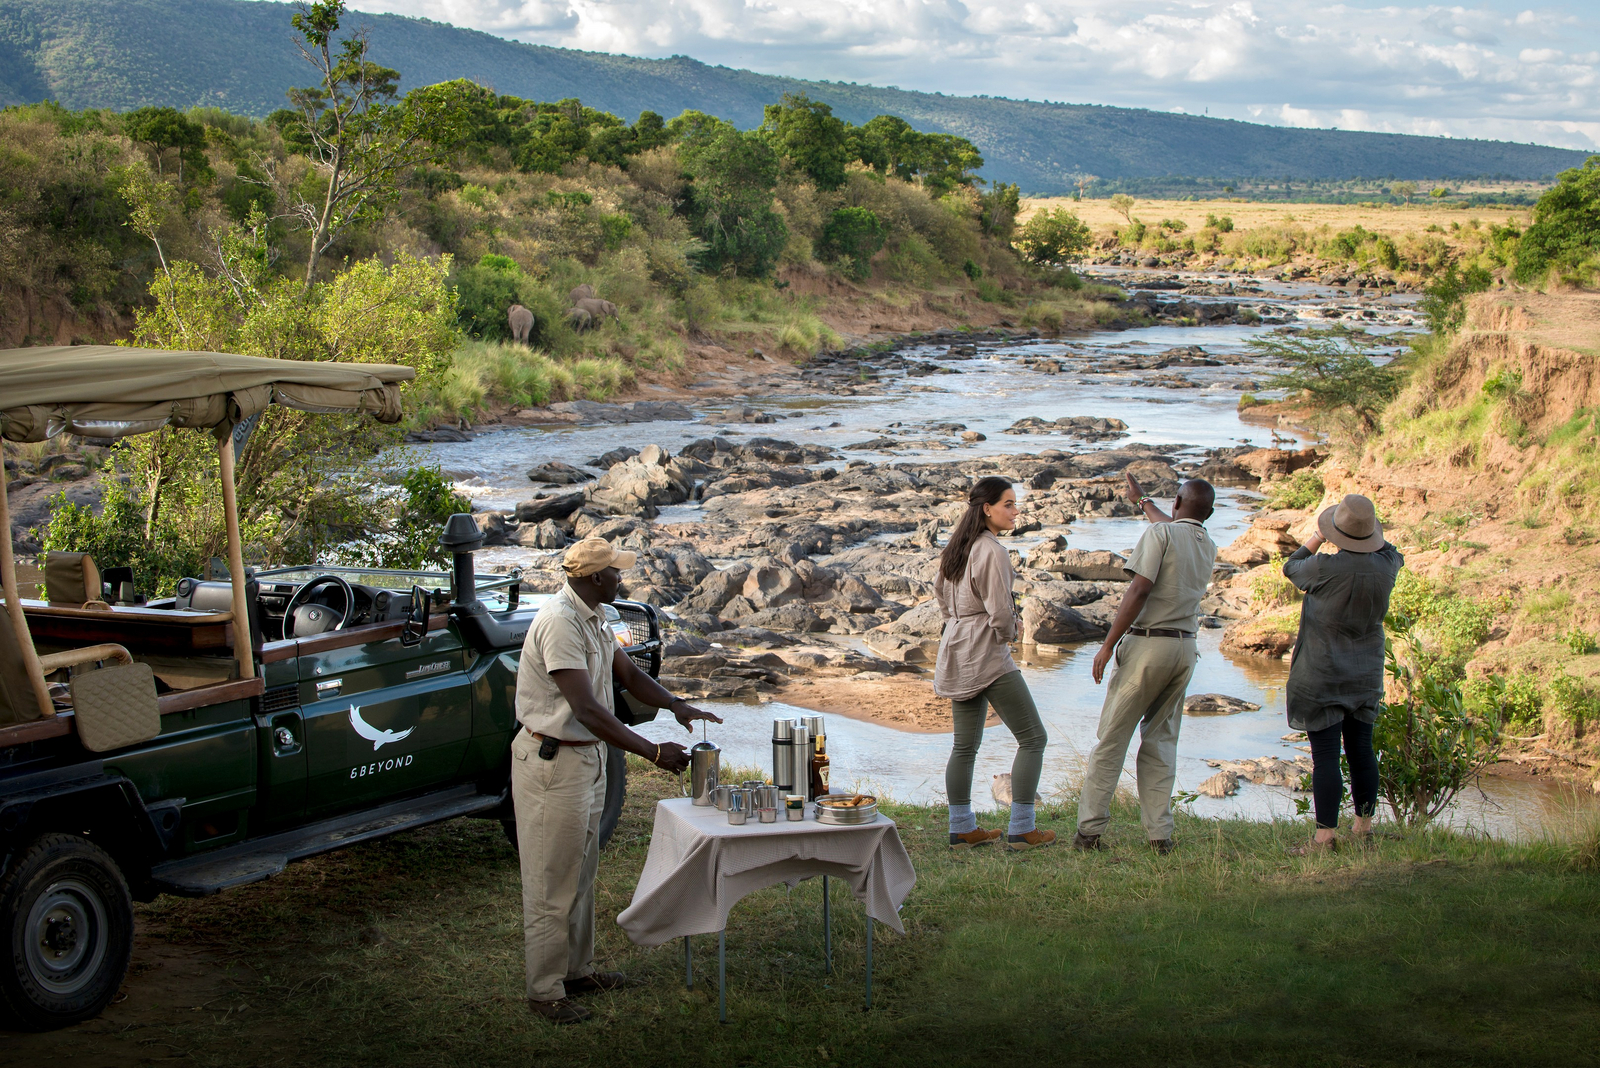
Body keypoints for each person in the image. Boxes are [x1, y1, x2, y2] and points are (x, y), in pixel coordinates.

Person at [514, 536, 722, 1025]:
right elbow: (586, 709)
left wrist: (676, 704)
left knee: (580, 873)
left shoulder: (594, 614)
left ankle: (576, 971)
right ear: (593, 578)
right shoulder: (561, 624)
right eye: (615, 572)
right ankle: (544, 992)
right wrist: (651, 751)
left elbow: (626, 673)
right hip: (553, 763)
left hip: (584, 762)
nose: (621, 579)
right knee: (551, 881)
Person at [1075, 474, 1217, 855]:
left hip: (1148, 647)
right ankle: (1159, 836)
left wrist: (1108, 645)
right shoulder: (1207, 544)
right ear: (1211, 513)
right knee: (1161, 741)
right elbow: (1171, 529)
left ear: (1176, 503)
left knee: (1113, 738)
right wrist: (1142, 501)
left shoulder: (1161, 536)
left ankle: (1089, 832)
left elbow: (1139, 589)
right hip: (1185, 650)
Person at [934, 476, 1054, 852]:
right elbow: (1001, 612)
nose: (1016, 511)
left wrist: (960, 623)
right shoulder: (993, 551)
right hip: (986, 652)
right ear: (987, 509)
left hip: (955, 648)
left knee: (964, 746)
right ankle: (1022, 828)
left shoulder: (956, 547)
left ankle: (962, 829)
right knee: (1034, 738)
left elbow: (940, 596)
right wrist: (1013, 631)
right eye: (1009, 504)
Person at [1282, 493, 1403, 854]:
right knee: (1362, 751)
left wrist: (1320, 536)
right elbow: (1393, 551)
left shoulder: (1322, 567)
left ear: (1337, 533)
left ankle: (1324, 838)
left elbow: (1291, 565)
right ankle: (1363, 829)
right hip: (1365, 672)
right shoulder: (1387, 566)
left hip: (1322, 673)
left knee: (1325, 756)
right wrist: (1371, 535)